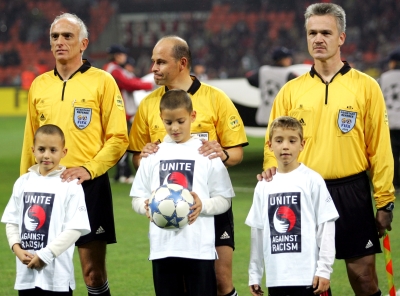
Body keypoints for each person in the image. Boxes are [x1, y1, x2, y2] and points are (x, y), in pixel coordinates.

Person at [259, 3, 395, 296]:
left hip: (352, 191)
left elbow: (380, 147)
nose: (318, 39)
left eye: (325, 32)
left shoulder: (366, 87)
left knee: (363, 278)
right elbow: (273, 141)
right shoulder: (291, 90)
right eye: (312, 33)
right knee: (311, 281)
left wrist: (385, 201)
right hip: (304, 192)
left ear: (341, 38)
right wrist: (270, 166)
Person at [129, 35, 248, 296]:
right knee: (181, 285)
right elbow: (137, 158)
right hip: (170, 206)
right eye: (153, 62)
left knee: (220, 281)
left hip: (210, 203)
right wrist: (144, 154)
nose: (153, 68)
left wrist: (221, 155)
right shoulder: (149, 105)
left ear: (182, 63)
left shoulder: (216, 98)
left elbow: (236, 152)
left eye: (161, 62)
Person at [20, 13, 129, 296]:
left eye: (67, 36)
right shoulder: (39, 85)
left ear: (84, 43)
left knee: (92, 273)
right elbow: (29, 142)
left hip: (88, 186)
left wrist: (89, 169)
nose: (60, 42)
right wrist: (24, 187)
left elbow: (118, 138)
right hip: (46, 189)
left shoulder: (103, 81)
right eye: (55, 36)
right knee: (43, 268)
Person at [130, 89, 235, 295]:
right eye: (168, 122)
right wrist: (147, 208)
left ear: (192, 116)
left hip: (198, 249)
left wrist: (202, 206)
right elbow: (137, 197)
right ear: (161, 118)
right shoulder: (152, 155)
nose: (175, 128)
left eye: (180, 121)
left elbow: (224, 199)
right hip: (162, 249)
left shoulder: (207, 153)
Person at [246, 116, 338, 296]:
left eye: (292, 140)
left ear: (302, 144)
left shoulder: (312, 180)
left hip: (310, 278)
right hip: (277, 278)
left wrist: (324, 270)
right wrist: (254, 274)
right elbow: (257, 231)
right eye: (279, 140)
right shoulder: (264, 185)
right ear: (270, 145)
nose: (285, 146)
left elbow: (326, 227)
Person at [2, 124, 91, 295]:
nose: (46, 155)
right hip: (26, 274)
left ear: (63, 152)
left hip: (56, 277)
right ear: (33, 150)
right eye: (41, 149)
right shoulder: (23, 182)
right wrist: (16, 248)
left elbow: (75, 229)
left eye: (53, 150)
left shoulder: (70, 185)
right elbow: (12, 221)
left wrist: (46, 255)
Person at [103, 44, 154, 184]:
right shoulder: (114, 69)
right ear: (118, 55)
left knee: (122, 144)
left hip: (119, 111)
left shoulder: (112, 69)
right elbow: (129, 83)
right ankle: (122, 173)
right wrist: (151, 85)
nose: (124, 57)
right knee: (122, 144)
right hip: (119, 111)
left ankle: (122, 173)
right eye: (123, 54)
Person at [379, 48, 400, 191]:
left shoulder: (384, 77)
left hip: (390, 122)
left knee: (392, 155)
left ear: (393, 62)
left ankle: (395, 184)